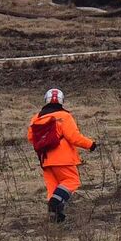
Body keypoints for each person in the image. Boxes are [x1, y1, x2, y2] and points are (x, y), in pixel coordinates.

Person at [27, 87, 97, 222]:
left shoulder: (36, 118)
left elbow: (31, 137)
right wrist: (90, 144)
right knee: (71, 181)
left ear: (46, 100)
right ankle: (55, 204)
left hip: (45, 160)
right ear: (61, 100)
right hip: (63, 158)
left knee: (53, 187)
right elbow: (73, 137)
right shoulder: (64, 116)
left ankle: (56, 217)